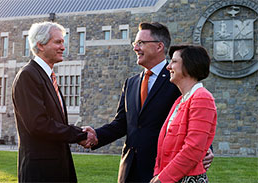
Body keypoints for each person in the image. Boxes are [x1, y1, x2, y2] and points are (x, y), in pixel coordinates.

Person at [83, 22, 214, 183]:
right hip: (130, 170)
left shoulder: (180, 80)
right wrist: (96, 135)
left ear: (159, 46)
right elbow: (122, 123)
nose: (135, 48)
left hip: (165, 170)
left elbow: (199, 122)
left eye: (140, 43)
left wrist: (206, 148)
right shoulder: (131, 83)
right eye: (135, 43)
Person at [12, 21, 97, 183]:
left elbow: (54, 121)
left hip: (57, 168)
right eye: (58, 42)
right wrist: (79, 134)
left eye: (63, 42)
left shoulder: (47, 77)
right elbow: (38, 124)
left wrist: (79, 132)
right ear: (40, 45)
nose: (63, 47)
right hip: (40, 173)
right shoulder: (28, 76)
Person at [150, 45, 217, 183]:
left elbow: (193, 149)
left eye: (174, 62)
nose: (168, 67)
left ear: (188, 65)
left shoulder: (202, 97)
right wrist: (157, 175)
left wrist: (162, 179)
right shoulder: (179, 101)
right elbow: (163, 147)